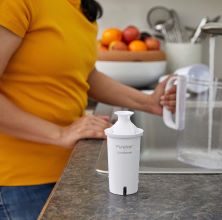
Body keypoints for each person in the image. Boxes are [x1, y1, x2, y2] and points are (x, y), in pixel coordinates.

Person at [0, 0, 175, 219]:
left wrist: (148, 102)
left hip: (67, 170)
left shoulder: (81, 9)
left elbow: (86, 75)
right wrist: (60, 133)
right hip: (21, 182)